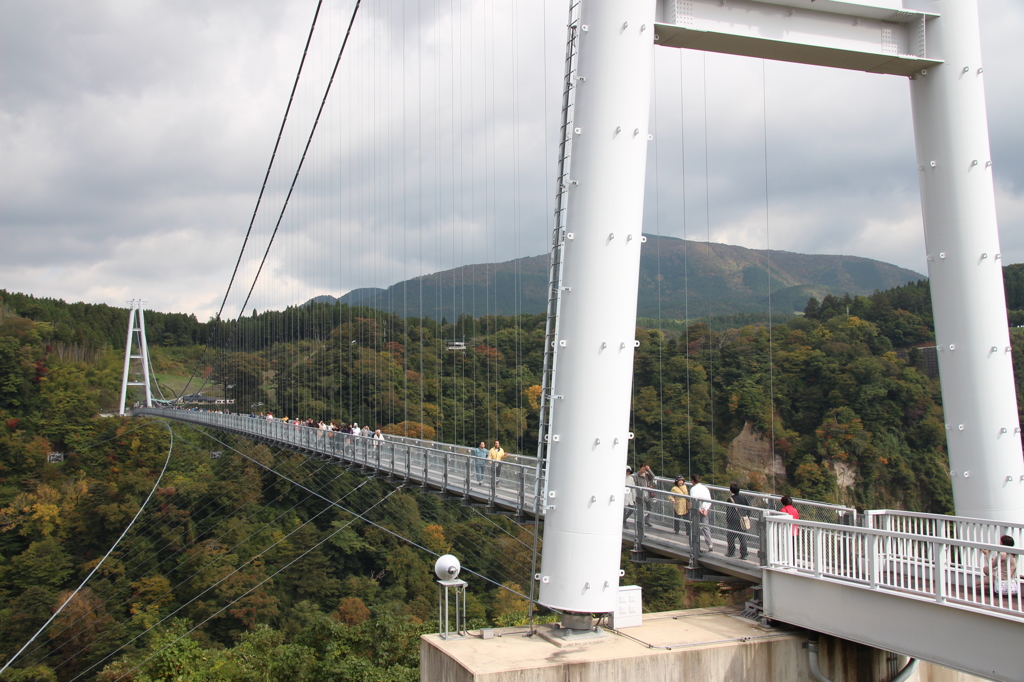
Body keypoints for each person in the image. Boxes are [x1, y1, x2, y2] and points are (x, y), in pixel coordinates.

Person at [726, 483, 751, 560]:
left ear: (731, 490)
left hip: (733, 521)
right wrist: (746, 517)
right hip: (742, 521)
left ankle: (731, 552)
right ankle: (744, 554)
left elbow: (729, 512)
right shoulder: (743, 498)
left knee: (730, 537)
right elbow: (749, 509)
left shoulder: (730, 499)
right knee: (742, 537)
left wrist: (728, 520)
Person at [689, 474, 714, 552]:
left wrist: (700, 508)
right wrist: (705, 508)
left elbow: (694, 500)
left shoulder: (693, 489)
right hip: (705, 510)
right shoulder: (705, 488)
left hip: (697, 510)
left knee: (694, 527)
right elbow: (709, 500)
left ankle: (693, 545)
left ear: (693, 481)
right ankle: (710, 544)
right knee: (705, 526)